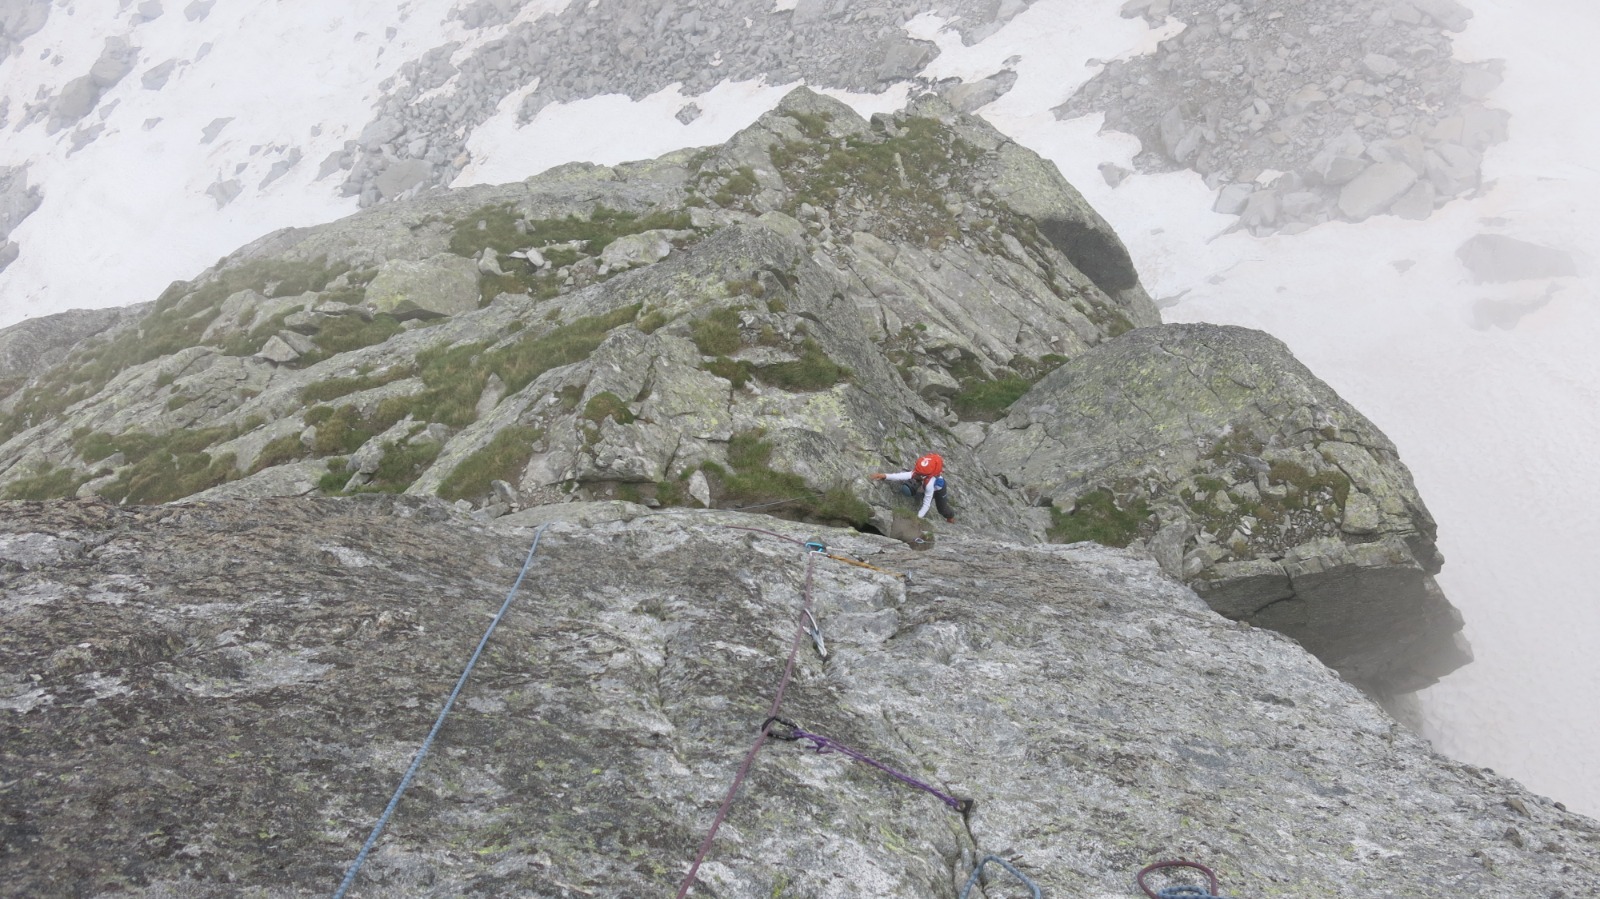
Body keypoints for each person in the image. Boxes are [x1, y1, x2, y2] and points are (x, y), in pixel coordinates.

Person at [870, 453, 955, 523]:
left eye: (917, 475)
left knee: (942, 509)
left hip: (939, 490)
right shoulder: (918, 473)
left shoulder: (930, 483)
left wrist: (917, 518)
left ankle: (950, 516)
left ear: (923, 476)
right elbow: (900, 476)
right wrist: (884, 476)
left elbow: (926, 505)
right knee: (912, 489)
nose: (915, 475)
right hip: (925, 487)